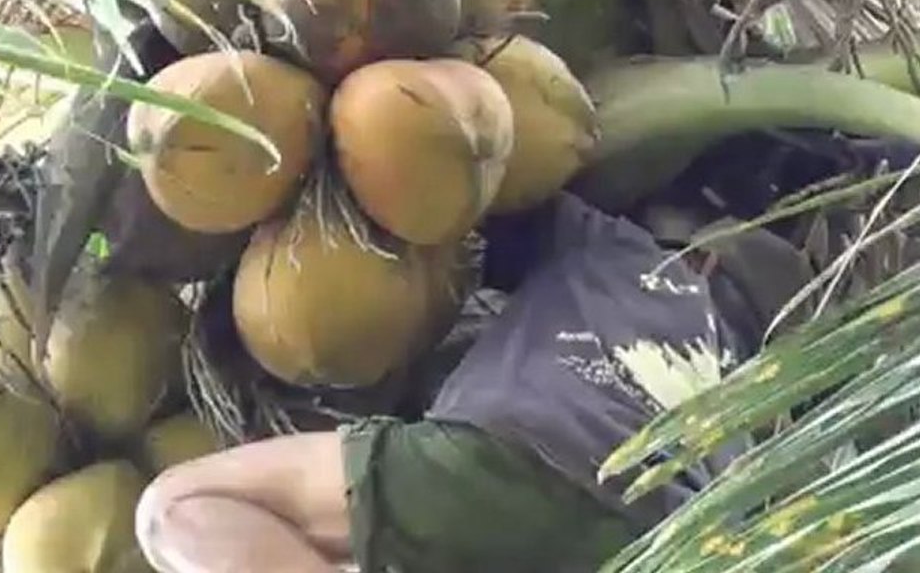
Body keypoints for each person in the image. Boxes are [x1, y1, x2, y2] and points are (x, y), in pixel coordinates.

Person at [134, 191, 810, 573]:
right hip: (655, 545)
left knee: (180, 506)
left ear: (708, 259)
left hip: (514, 462)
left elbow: (480, 195)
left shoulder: (621, 250)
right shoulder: (761, 401)